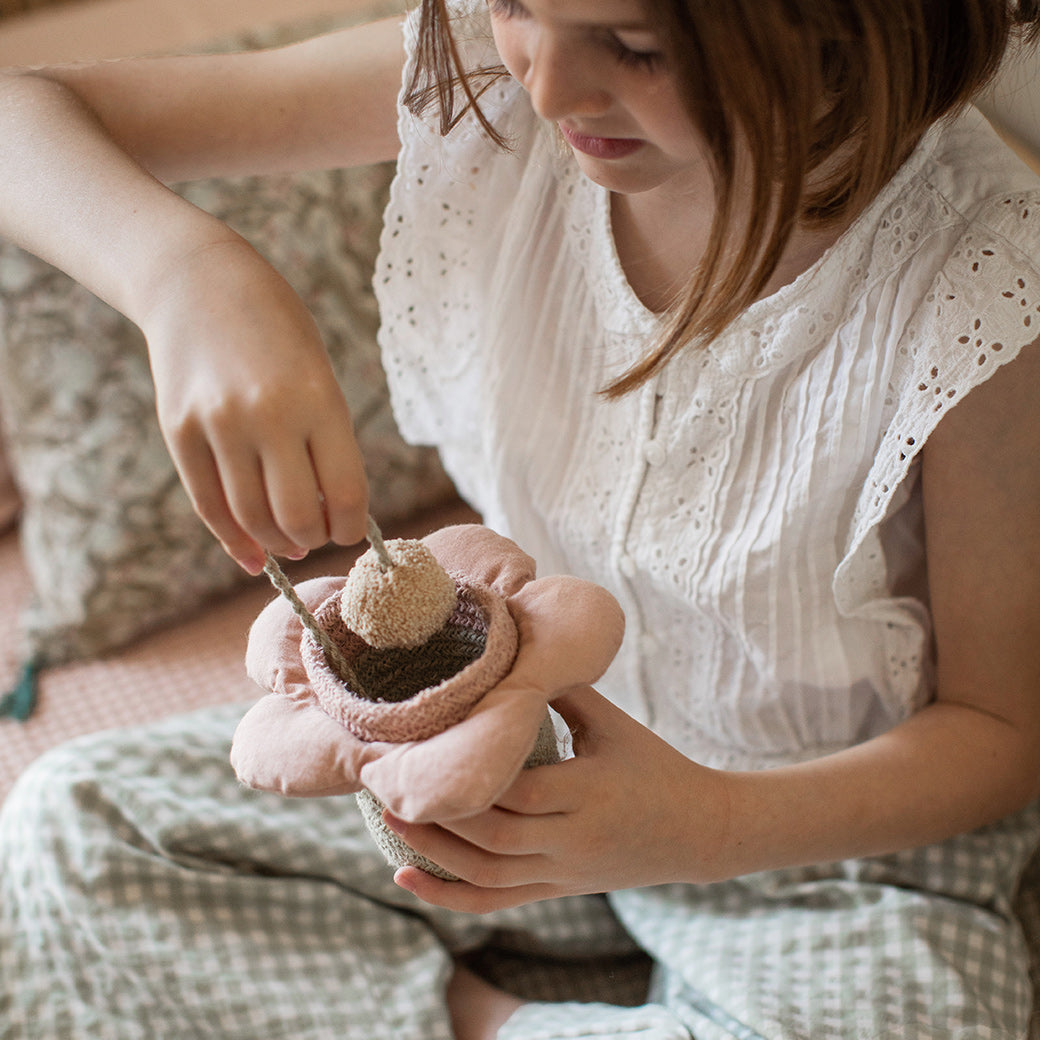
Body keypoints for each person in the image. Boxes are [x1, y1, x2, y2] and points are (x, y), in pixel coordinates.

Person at [2, 0, 1040, 1036]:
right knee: (74, 823)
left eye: (633, 48)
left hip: (818, 847)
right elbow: (19, 110)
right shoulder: (483, 85)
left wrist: (705, 824)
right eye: (513, 5)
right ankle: (472, 1010)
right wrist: (186, 272)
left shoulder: (977, 275)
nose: (548, 89)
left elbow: (997, 736)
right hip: (506, 741)